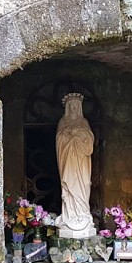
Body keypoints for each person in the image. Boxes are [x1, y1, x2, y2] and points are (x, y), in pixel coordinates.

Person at [54, 93, 96, 238]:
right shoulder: (63, 121)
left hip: (81, 162)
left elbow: (90, 141)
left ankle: (83, 214)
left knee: (84, 184)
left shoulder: (84, 122)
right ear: (67, 107)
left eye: (76, 106)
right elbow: (59, 139)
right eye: (71, 106)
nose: (74, 108)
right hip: (69, 162)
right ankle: (70, 214)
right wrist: (69, 135)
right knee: (69, 185)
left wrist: (81, 134)